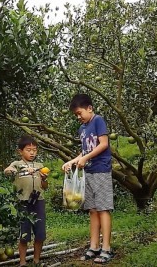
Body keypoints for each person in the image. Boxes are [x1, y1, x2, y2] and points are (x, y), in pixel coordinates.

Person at [62, 93, 114, 264]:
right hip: (89, 173)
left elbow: (103, 144)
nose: (78, 117)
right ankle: (94, 246)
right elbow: (84, 152)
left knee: (103, 209)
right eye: (76, 115)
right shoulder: (82, 129)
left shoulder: (98, 120)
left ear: (89, 108)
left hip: (101, 170)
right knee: (92, 210)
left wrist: (84, 159)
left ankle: (106, 248)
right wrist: (72, 161)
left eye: (79, 113)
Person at [4, 135, 48, 267]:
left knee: (40, 234)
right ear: (20, 151)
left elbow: (45, 186)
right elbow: (7, 171)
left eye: (34, 150)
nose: (32, 152)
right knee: (24, 234)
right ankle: (22, 262)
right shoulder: (16, 165)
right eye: (29, 150)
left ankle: (36, 261)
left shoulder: (40, 166)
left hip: (38, 202)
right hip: (22, 202)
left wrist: (44, 179)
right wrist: (22, 169)